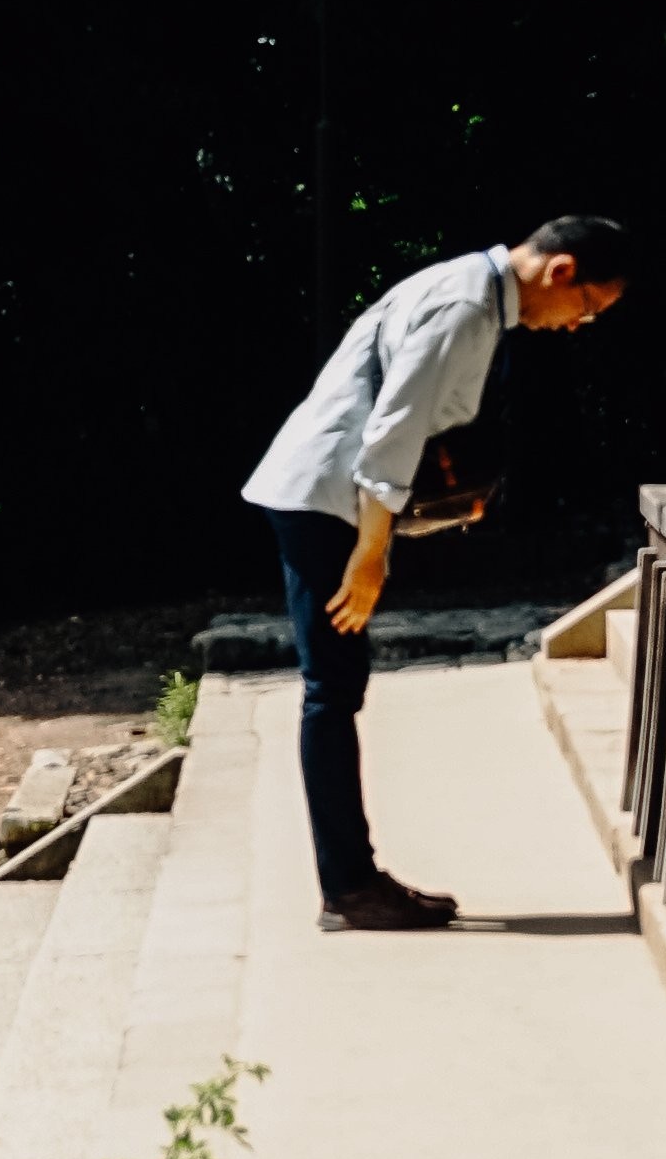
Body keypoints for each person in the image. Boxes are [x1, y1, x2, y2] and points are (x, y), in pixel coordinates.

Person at [241, 217, 629, 930]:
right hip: (324, 498)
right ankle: (348, 886)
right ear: (561, 272)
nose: (577, 325)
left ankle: (352, 879)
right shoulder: (466, 305)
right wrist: (370, 555)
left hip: (329, 494)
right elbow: (393, 429)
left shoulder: (470, 289)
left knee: (337, 687)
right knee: (330, 690)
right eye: (588, 308)